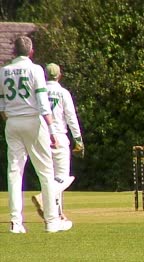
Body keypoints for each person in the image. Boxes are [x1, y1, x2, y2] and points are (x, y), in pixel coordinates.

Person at [0, 36, 72, 233]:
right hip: (33, 121)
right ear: (31, 52)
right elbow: (42, 103)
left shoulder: (3, 71)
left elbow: (2, 105)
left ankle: (16, 223)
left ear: (14, 52)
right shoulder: (36, 70)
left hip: (12, 122)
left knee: (14, 173)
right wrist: (51, 130)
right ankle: (51, 221)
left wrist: (13, 121)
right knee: (46, 172)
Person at [31, 63, 84, 221]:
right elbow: (71, 117)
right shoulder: (62, 92)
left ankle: (57, 213)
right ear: (59, 75)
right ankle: (43, 197)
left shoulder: (38, 92)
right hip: (59, 136)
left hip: (40, 136)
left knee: (49, 176)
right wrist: (78, 140)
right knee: (62, 177)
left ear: (45, 76)